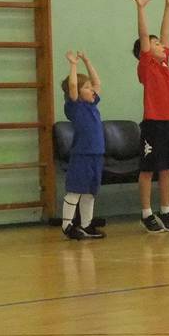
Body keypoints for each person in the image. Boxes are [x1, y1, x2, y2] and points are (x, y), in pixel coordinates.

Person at [130, 0, 169, 233]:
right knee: (148, 170)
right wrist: (141, 9)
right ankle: (146, 213)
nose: (160, 45)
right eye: (155, 43)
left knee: (167, 169)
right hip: (152, 124)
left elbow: (166, 34)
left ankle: (166, 211)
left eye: (159, 44)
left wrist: (168, 8)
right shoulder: (147, 65)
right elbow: (143, 34)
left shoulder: (164, 63)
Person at [61, 50, 105, 240]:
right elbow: (72, 85)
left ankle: (86, 225)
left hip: (97, 154)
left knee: (90, 192)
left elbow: (97, 83)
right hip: (82, 154)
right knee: (76, 190)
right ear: (78, 93)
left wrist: (87, 61)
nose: (92, 90)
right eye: (87, 88)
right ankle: (67, 225)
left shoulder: (92, 105)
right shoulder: (75, 106)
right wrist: (74, 64)